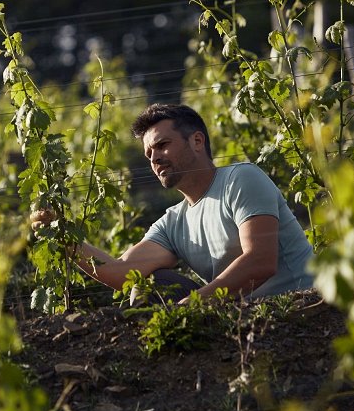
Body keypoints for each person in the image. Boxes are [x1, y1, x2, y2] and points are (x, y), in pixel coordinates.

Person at [31, 103, 314, 304]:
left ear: (197, 141)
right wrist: (65, 238)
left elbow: (261, 261)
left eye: (162, 145)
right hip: (241, 318)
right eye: (149, 153)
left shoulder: (241, 179)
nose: (154, 158)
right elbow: (122, 273)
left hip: (301, 307)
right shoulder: (173, 222)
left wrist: (196, 303)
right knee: (149, 287)